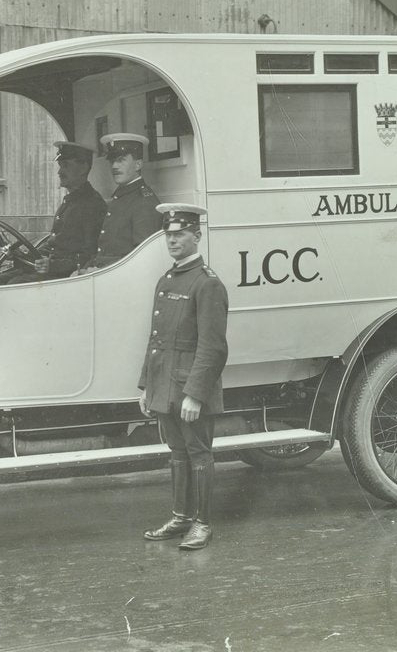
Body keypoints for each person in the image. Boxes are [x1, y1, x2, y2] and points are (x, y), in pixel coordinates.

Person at [138, 203, 228, 550]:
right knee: (177, 452)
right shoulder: (168, 279)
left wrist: (195, 394)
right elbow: (156, 339)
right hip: (165, 385)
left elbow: (213, 347)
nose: (172, 240)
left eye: (180, 234)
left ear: (197, 236)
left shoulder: (208, 285)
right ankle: (180, 517)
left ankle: (202, 524)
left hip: (189, 389)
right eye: (169, 234)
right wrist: (147, 385)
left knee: (199, 453)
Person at [0, 141, 107, 283]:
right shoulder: (71, 201)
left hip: (67, 276)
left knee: (10, 284)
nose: (59, 172)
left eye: (66, 166)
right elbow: (54, 245)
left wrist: (53, 266)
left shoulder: (92, 205)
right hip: (54, 271)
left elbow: (90, 254)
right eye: (60, 166)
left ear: (84, 167)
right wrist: (22, 256)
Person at [81, 133, 161, 270]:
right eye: (112, 161)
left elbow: (142, 258)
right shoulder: (122, 197)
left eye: (121, 160)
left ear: (138, 165)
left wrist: (100, 270)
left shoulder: (144, 202)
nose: (114, 166)